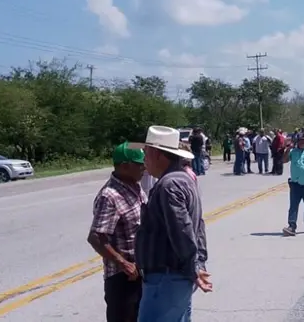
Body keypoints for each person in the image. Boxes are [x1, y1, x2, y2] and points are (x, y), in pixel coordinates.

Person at [131, 126, 211, 322]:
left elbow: (182, 231)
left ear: (157, 154)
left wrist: (194, 266)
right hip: (175, 276)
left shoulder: (169, 185)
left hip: (166, 277)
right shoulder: (183, 179)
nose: (144, 159)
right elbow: (198, 227)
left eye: (146, 153)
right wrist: (198, 262)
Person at [87, 142, 147, 322]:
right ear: (124, 166)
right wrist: (123, 263)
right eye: (139, 164)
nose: (144, 168)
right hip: (123, 278)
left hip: (140, 273)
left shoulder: (135, 187)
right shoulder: (110, 196)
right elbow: (96, 237)